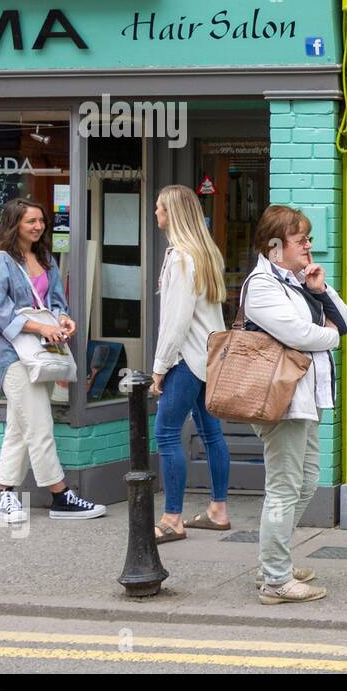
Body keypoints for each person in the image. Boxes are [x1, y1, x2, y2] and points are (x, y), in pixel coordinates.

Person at [243, 206, 347, 604]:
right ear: (274, 247)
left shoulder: (296, 281)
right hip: (282, 400)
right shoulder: (261, 286)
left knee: (306, 482)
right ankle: (274, 580)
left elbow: (346, 322)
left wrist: (320, 292)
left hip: (306, 397)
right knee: (285, 487)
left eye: (308, 238)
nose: (309, 246)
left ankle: (275, 563)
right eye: (300, 240)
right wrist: (328, 335)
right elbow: (299, 333)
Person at [0, 196, 105, 522]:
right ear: (14, 224)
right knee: (38, 425)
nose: (38, 227)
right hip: (12, 356)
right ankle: (60, 494)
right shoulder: (1, 261)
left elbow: (55, 302)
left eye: (41, 221)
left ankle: (4, 495)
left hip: (42, 354)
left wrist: (62, 319)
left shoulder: (44, 257)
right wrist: (39, 326)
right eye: (30, 221)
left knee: (20, 426)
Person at [150, 185, 232, 544]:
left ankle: (172, 518)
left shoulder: (181, 258)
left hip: (185, 361)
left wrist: (159, 366)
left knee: (166, 434)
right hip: (209, 359)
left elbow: (176, 322)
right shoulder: (206, 254)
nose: (156, 214)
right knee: (213, 434)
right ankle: (218, 510)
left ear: (173, 214)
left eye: (159, 208)